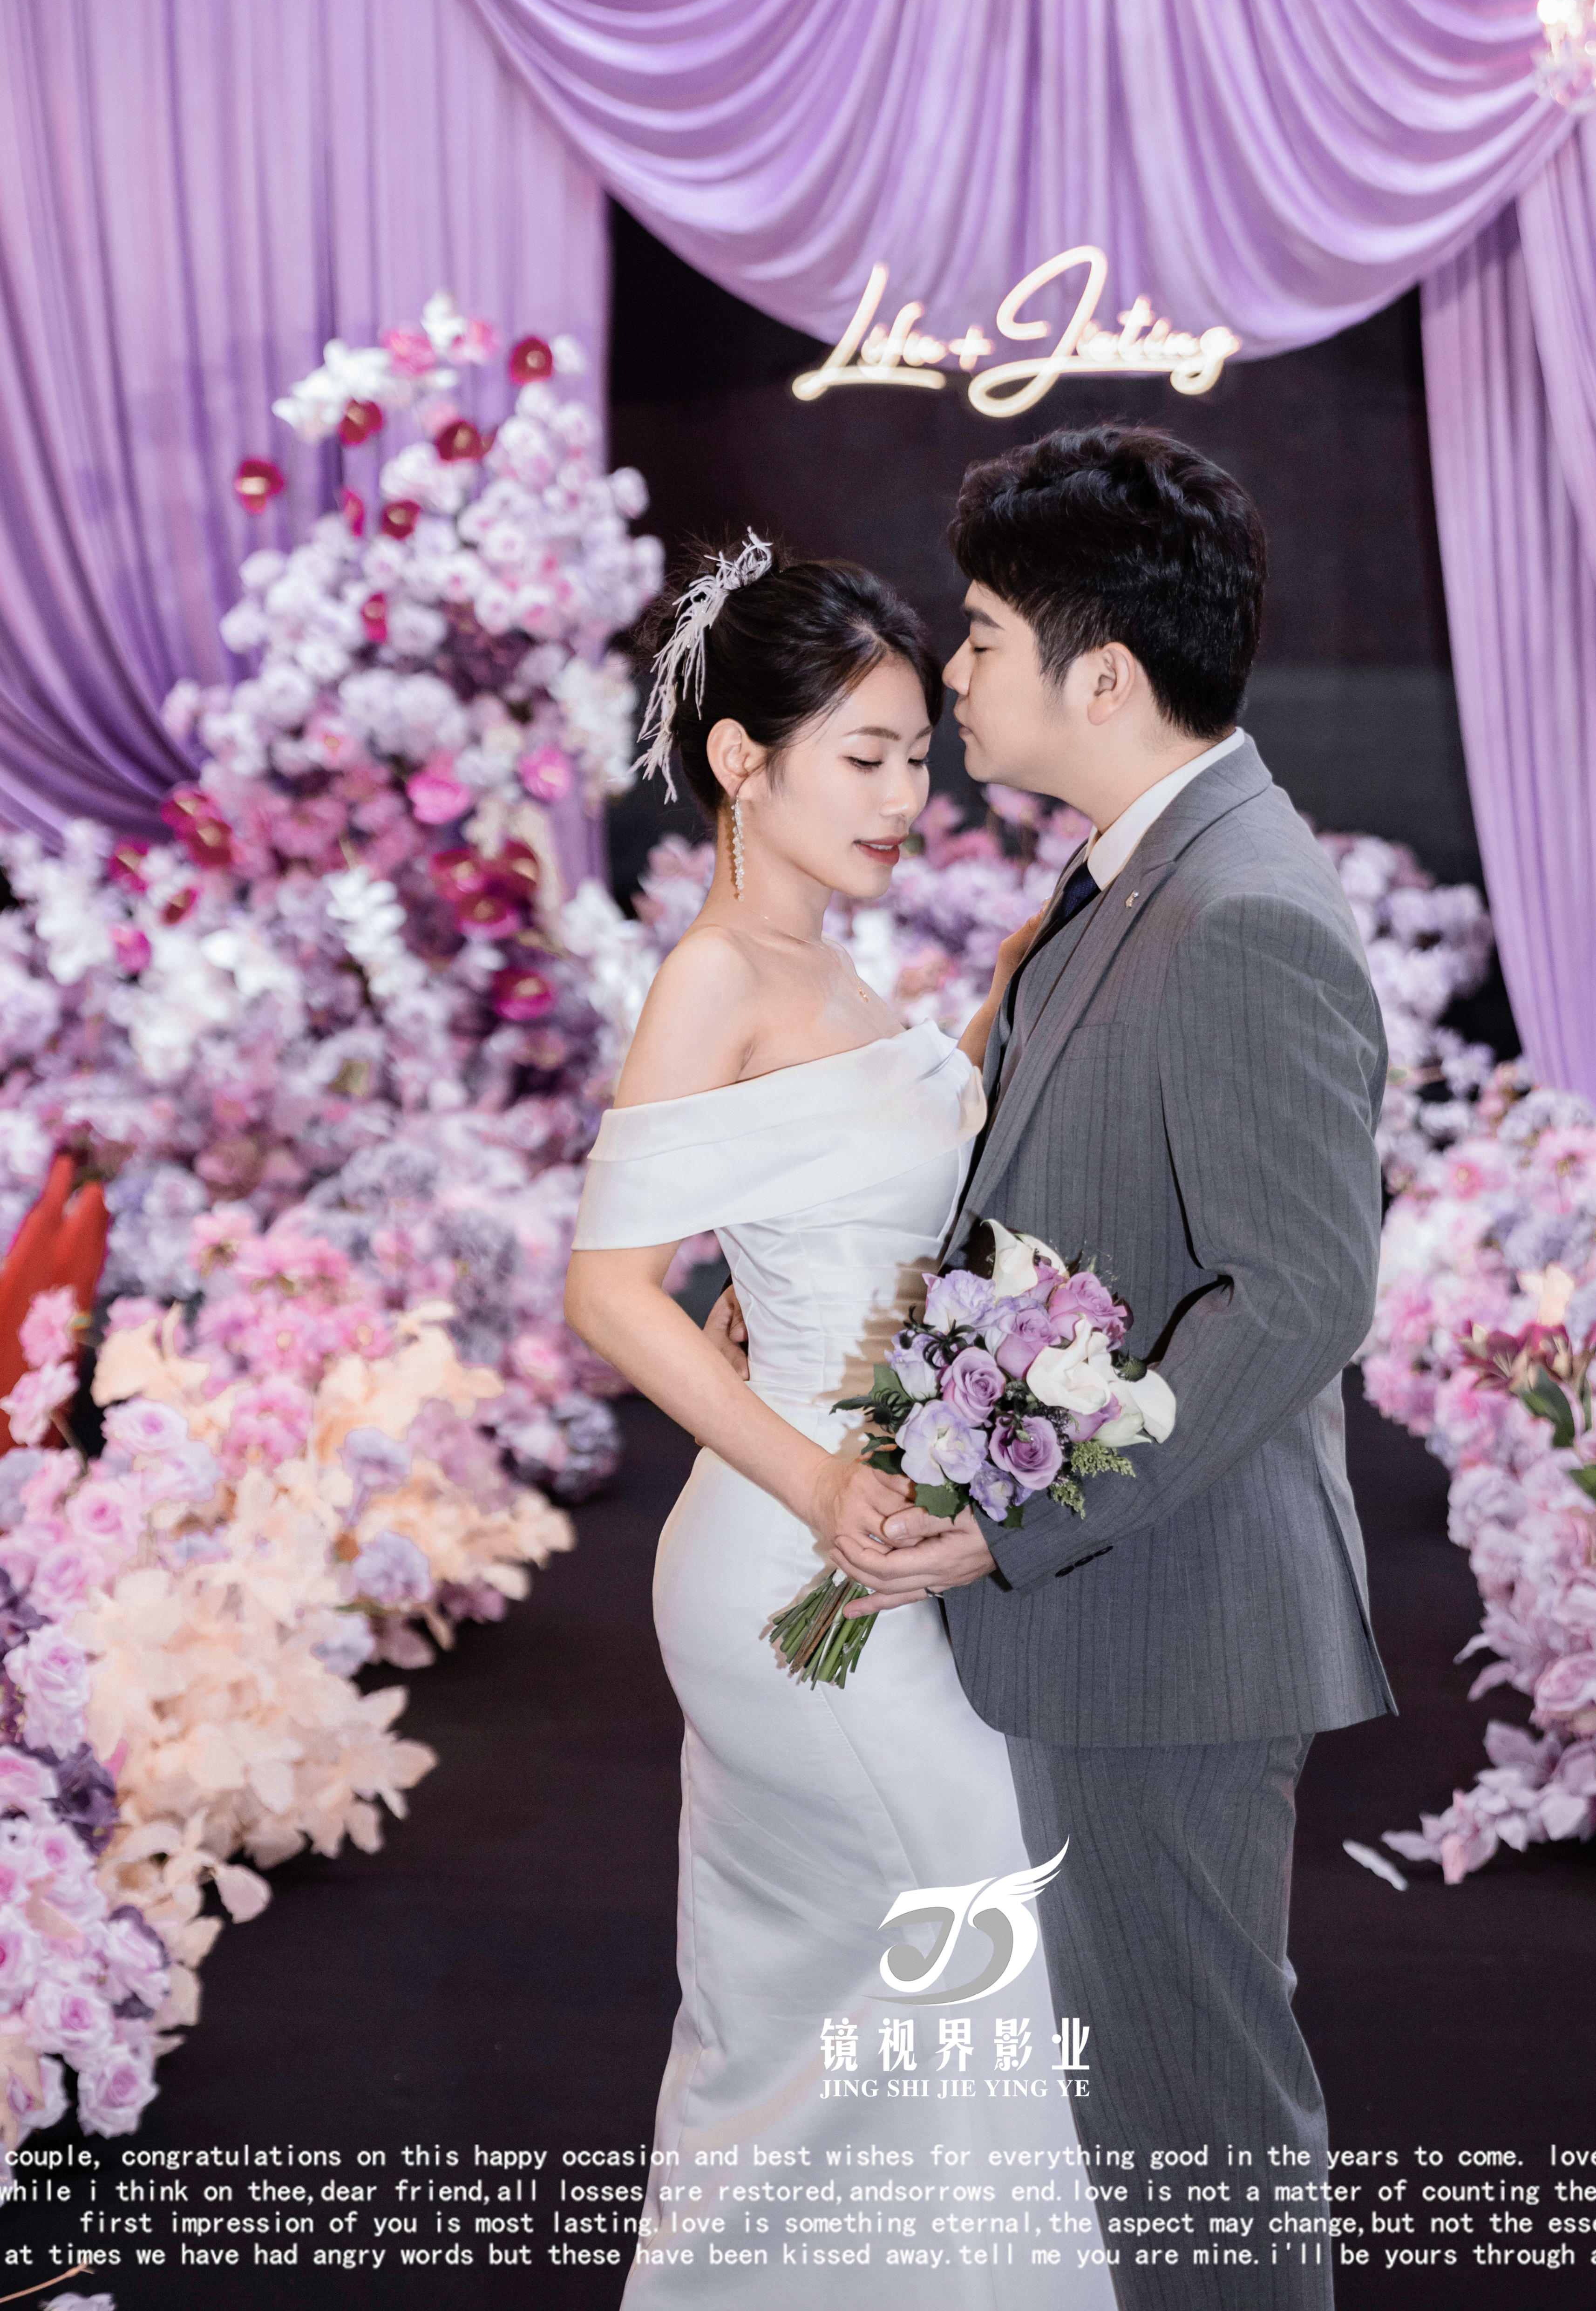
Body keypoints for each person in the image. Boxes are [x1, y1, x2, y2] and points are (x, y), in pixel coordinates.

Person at [785, 427, 1399, 2311]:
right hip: (1124, 1612)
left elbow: (1297, 1295)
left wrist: (1019, 1525)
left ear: (1103, 676)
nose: (951, 672)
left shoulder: (1238, 912)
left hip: (1168, 1620)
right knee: (1140, 2114)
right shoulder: (1135, 873)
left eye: (981, 636)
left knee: (1192, 2119)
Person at [563, 535, 1115, 2311]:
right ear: (742, 759)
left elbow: (868, 1164)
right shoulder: (720, 973)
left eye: (916, 758)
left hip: (857, 1534)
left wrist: (1036, 961)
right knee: (970, 1941)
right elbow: (612, 1290)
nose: (903, 798)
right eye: (864, 757)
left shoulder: (822, 965)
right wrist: (817, 1475)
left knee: (819, 2000)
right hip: (798, 1551)